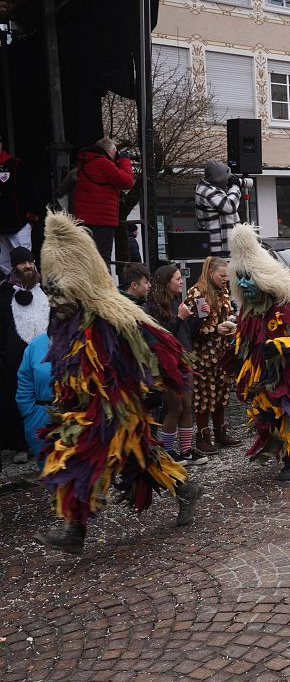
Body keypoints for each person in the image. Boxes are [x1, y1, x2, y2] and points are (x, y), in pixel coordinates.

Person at [33, 212, 201, 555]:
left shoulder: (112, 314)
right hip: (89, 409)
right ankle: (185, 488)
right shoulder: (67, 320)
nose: (53, 298)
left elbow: (158, 345)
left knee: (81, 457)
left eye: (58, 290)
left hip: (115, 409)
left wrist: (161, 379)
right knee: (141, 459)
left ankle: (75, 529)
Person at [227, 225, 290, 480]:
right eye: (241, 278)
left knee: (280, 414)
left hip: (285, 372)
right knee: (265, 415)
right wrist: (234, 336)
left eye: (250, 277)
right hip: (260, 372)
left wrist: (281, 344)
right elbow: (247, 336)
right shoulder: (246, 309)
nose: (245, 284)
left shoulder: (284, 306)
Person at [145, 265, 204, 466]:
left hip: (184, 359)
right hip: (168, 363)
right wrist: (179, 318)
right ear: (166, 282)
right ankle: (168, 451)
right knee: (175, 407)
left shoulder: (176, 302)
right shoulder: (152, 307)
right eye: (178, 279)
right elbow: (162, 336)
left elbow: (186, 332)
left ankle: (186, 450)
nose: (181, 282)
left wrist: (199, 318)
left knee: (188, 407)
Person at [184, 257, 237, 455]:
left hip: (222, 351)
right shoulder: (197, 293)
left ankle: (221, 432)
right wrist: (216, 329)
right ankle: (203, 437)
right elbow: (194, 327)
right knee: (204, 395)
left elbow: (225, 316)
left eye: (227, 276)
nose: (226, 279)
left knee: (222, 392)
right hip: (204, 354)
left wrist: (230, 323)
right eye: (222, 276)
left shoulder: (222, 291)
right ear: (210, 273)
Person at [0, 247, 48, 463]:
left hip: (45, 357)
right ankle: (20, 444)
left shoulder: (44, 291)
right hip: (15, 357)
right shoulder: (4, 293)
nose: (28, 266)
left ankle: (43, 437)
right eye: (22, 263)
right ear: (14, 267)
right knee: (18, 398)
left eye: (30, 261)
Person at [71, 137, 135, 262]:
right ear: (109, 150)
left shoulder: (85, 163)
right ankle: (102, 282)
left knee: (86, 260)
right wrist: (125, 161)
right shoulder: (103, 163)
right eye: (115, 152)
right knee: (102, 261)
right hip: (102, 222)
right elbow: (127, 182)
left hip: (84, 220)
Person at [0, 137, 41, 274]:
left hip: (18, 224)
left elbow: (29, 191)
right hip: (2, 228)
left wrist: (30, 217)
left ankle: (33, 293)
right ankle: (14, 291)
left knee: (25, 263)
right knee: (4, 264)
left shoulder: (15, 165)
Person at [15, 332, 50, 470]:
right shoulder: (37, 344)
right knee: (53, 478)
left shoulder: (89, 340)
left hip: (81, 420)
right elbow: (25, 380)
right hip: (42, 418)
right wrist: (30, 414)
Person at [194, 161, 242, 256]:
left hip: (227, 247)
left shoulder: (213, 189)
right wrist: (235, 187)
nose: (227, 179)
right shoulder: (206, 190)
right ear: (219, 176)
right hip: (218, 249)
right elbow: (230, 206)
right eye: (226, 176)